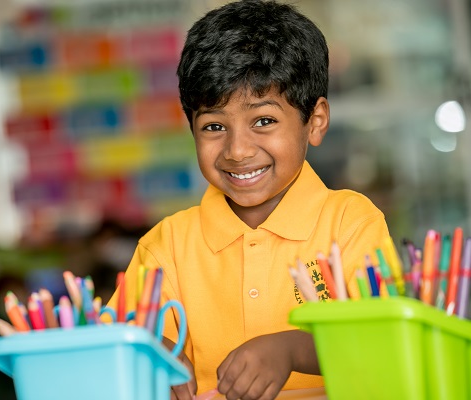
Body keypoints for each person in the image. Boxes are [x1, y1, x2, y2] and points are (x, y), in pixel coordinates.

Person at [107, 1, 391, 399]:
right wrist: (154, 362)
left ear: (316, 121)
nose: (237, 150)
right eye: (214, 126)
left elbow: (385, 342)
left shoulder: (350, 223)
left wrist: (291, 350)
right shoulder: (164, 249)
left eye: (263, 120)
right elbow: (120, 354)